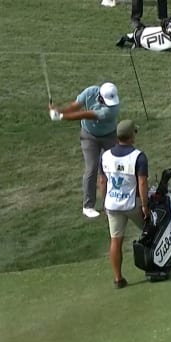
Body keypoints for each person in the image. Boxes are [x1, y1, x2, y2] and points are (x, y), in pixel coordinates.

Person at [49, 82, 122, 219]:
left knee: (112, 168)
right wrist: (58, 111)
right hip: (89, 136)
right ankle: (88, 206)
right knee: (91, 168)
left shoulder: (111, 110)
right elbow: (75, 106)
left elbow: (85, 114)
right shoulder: (90, 92)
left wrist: (60, 117)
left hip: (109, 136)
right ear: (99, 96)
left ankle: (111, 203)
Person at [98, 120, 149, 289]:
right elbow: (142, 183)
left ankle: (118, 279)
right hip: (131, 204)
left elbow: (102, 181)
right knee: (151, 232)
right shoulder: (138, 156)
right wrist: (145, 206)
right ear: (131, 136)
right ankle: (156, 266)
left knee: (115, 241)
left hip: (112, 205)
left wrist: (104, 202)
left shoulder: (105, 156)